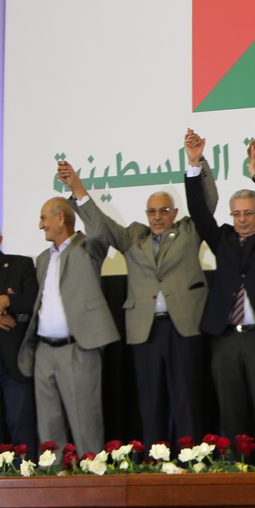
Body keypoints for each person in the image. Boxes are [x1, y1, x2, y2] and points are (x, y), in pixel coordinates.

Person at [57, 129, 215, 446]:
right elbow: (100, 227)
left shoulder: (189, 230)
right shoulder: (133, 237)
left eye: (163, 211)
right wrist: (78, 191)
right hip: (145, 332)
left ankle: (195, 462)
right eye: (152, 211)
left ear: (175, 213)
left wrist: (195, 164)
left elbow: (207, 202)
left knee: (187, 402)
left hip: (183, 328)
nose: (157, 217)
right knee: (150, 403)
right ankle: (155, 465)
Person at [186, 138, 255, 438]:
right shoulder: (222, 239)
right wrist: (194, 165)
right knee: (230, 413)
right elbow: (198, 212)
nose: (242, 219)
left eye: (248, 213)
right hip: (226, 341)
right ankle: (236, 470)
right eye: (236, 214)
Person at [19, 195, 119, 455]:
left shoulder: (88, 249)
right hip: (43, 352)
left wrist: (79, 193)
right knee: (48, 432)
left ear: (61, 218)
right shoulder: (42, 259)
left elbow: (100, 231)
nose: (41, 225)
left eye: (44, 218)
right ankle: (53, 485)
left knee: (86, 426)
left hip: (78, 350)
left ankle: (92, 486)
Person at [0, 216, 39, 451]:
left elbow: (34, 301)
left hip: (13, 359)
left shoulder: (20, 265)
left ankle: (26, 480)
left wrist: (6, 300)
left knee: (20, 423)